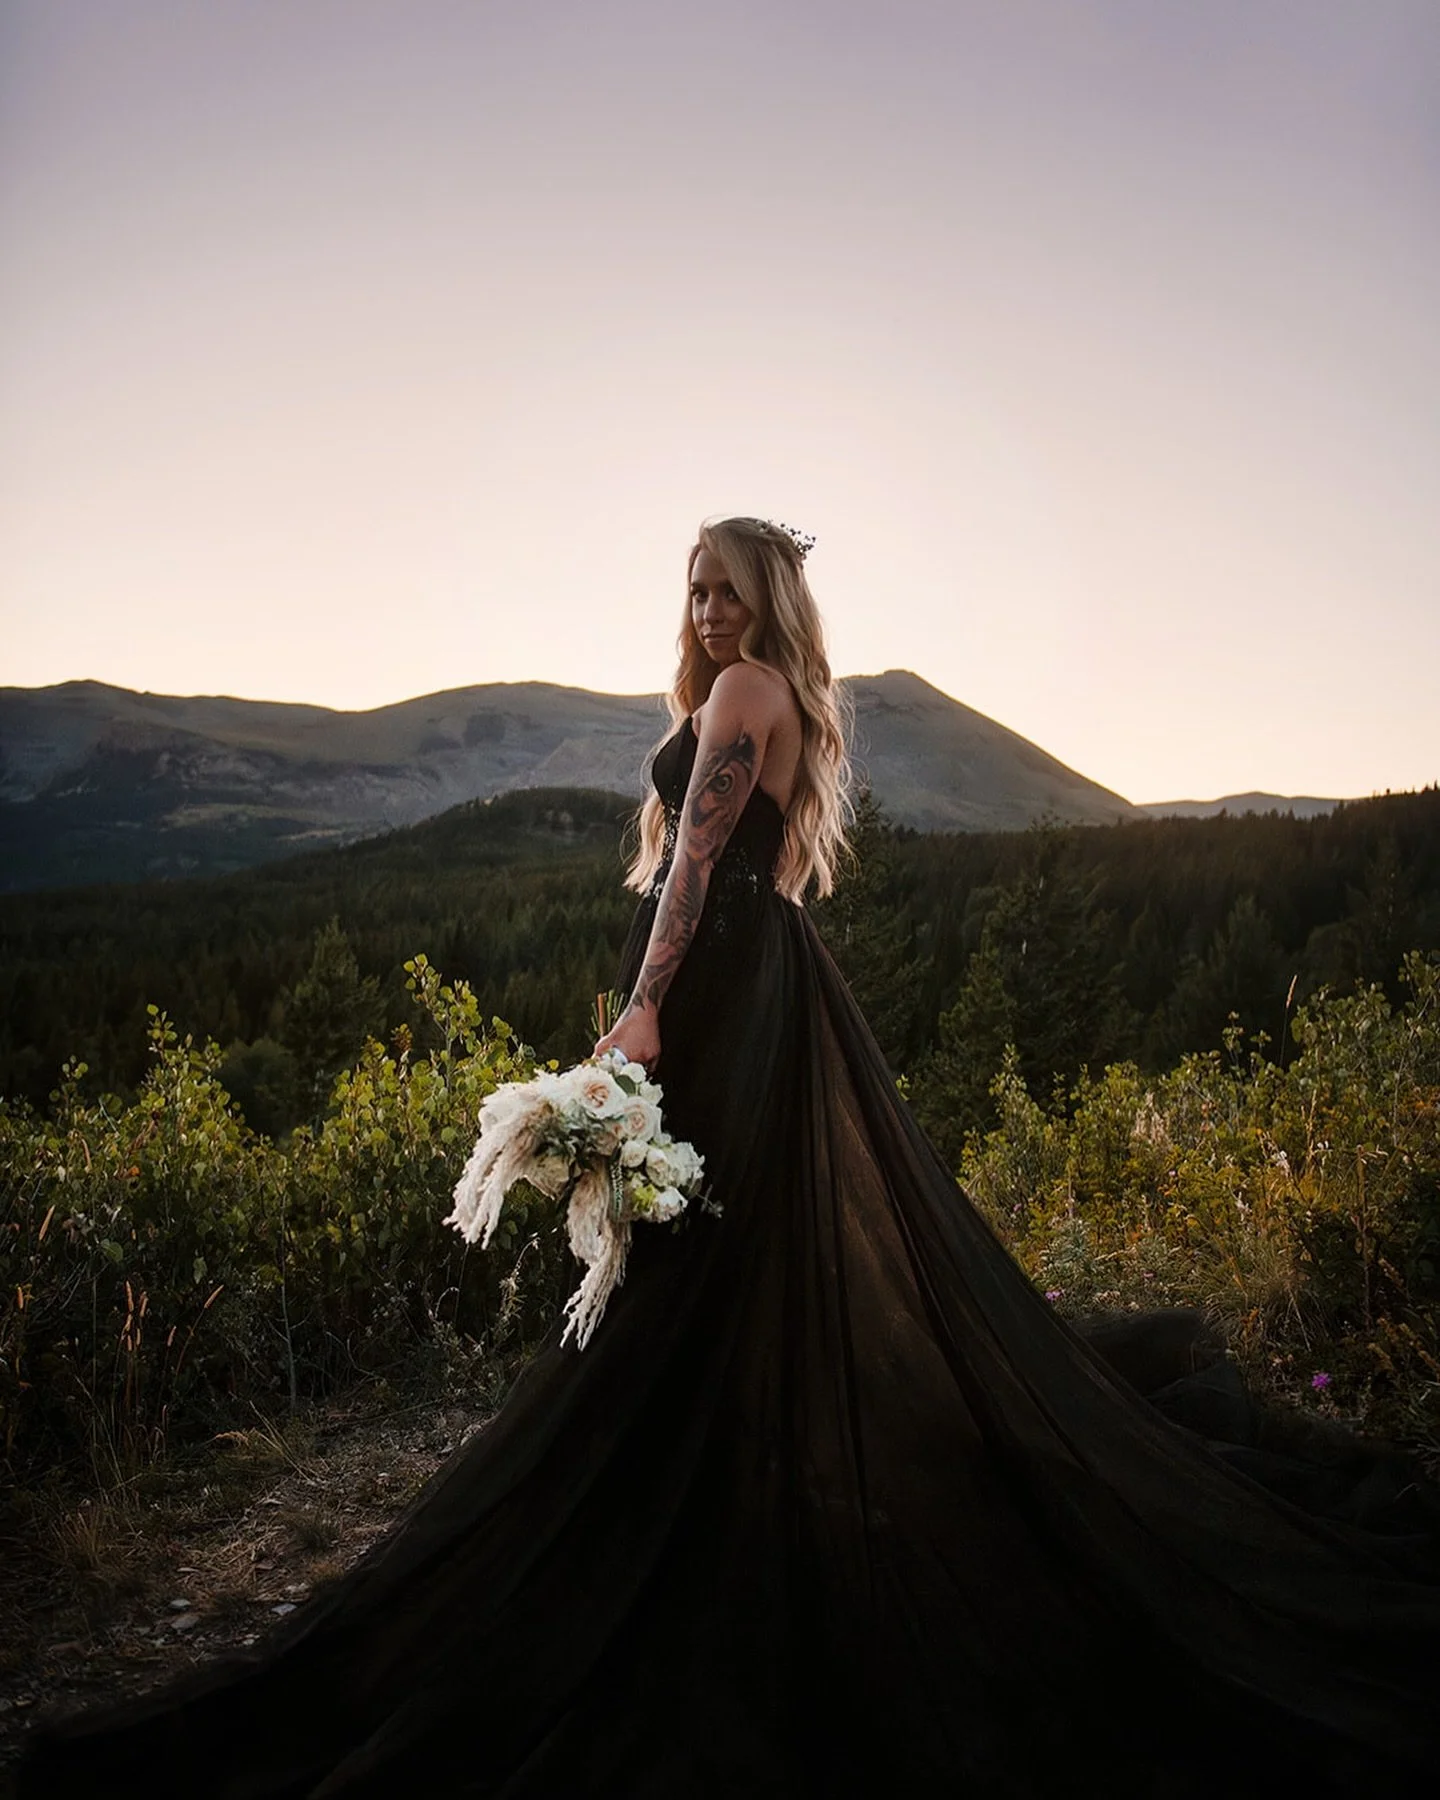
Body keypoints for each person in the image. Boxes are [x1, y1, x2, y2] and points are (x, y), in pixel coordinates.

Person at [15, 517, 1440, 1798]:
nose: (706, 610)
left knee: (700, 1238)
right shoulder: (759, 696)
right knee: (717, 1235)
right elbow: (723, 860)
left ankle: (685, 1498)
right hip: (751, 977)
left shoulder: (748, 694)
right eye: (694, 590)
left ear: (766, 602)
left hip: (726, 983)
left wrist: (645, 1002)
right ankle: (720, 1477)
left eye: (726, 589)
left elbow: (697, 864)